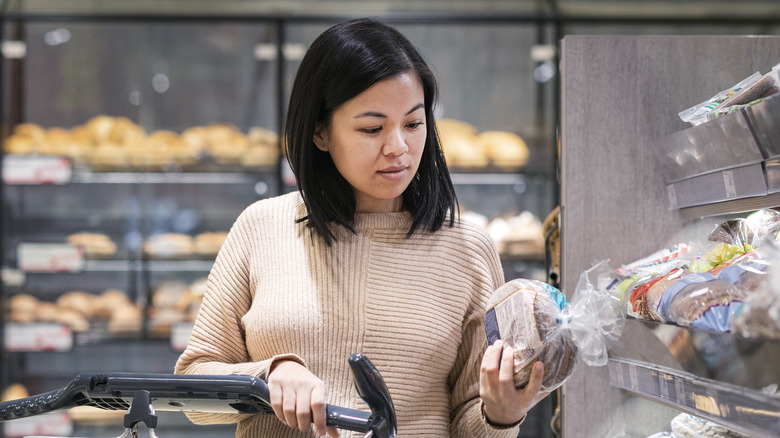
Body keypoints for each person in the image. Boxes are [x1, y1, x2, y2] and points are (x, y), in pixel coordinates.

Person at [174, 17, 548, 437]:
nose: (399, 148)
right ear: (319, 132)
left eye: (413, 123)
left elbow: (468, 417)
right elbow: (194, 391)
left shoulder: (467, 248)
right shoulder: (261, 228)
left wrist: (501, 416)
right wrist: (268, 376)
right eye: (372, 128)